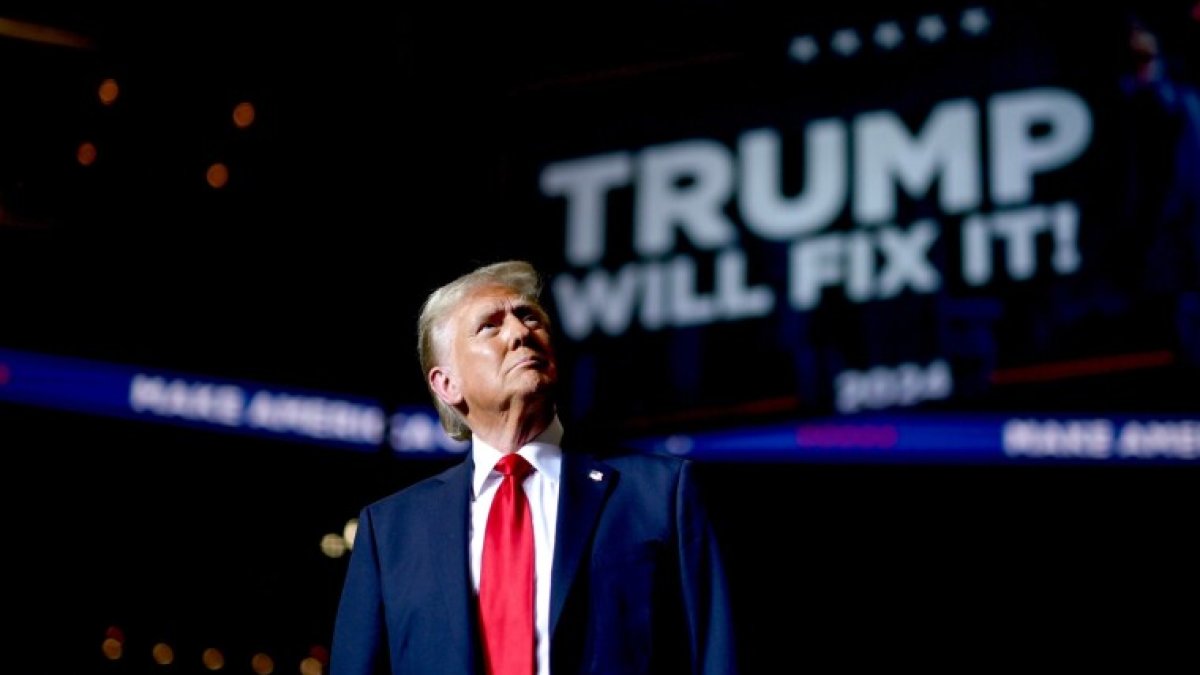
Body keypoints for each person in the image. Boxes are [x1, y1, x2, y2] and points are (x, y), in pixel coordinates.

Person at [330, 260, 738, 675]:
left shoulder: (661, 493)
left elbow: (716, 654)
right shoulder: (390, 530)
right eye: (489, 326)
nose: (520, 332)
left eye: (529, 317)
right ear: (447, 384)